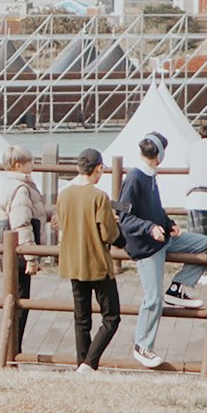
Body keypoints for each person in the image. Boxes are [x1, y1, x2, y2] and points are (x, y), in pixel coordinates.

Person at [118, 132, 207, 369]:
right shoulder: (135, 178)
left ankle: (178, 287)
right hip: (148, 246)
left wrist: (168, 224)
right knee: (153, 299)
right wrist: (150, 228)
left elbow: (154, 210)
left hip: (163, 237)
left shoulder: (149, 175)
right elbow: (124, 216)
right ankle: (142, 346)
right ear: (160, 155)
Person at [56, 148, 123, 373]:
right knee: (111, 317)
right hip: (97, 263)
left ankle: (81, 363)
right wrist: (115, 224)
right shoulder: (99, 197)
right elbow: (108, 234)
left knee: (81, 319)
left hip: (73, 262)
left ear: (78, 167)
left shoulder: (64, 194)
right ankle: (89, 363)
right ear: (98, 168)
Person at [0, 146, 51, 360]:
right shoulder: (21, 188)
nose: (32, 164)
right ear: (18, 165)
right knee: (20, 304)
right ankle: (12, 352)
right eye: (28, 161)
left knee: (15, 301)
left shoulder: (11, 185)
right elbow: (22, 223)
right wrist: (31, 256)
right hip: (19, 255)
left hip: (9, 253)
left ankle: (10, 350)